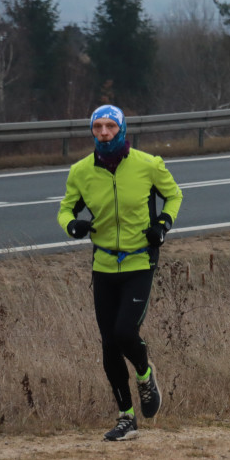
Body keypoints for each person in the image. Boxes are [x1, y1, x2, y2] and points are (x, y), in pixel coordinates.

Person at [57, 105, 184, 441]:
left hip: (140, 261)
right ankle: (126, 417)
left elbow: (174, 195)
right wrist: (72, 225)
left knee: (126, 331)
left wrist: (162, 224)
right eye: (97, 127)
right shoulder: (81, 171)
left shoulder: (148, 165)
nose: (103, 133)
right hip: (103, 265)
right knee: (109, 345)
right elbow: (66, 208)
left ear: (122, 129)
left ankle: (145, 374)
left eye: (110, 127)